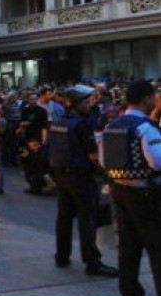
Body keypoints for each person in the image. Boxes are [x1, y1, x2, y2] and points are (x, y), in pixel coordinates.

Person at [102, 79, 161, 296]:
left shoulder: (111, 126)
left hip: (120, 192)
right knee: (158, 249)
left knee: (128, 249)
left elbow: (105, 162)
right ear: (147, 98)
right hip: (145, 195)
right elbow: (157, 161)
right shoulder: (145, 127)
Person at [48, 85, 118, 277]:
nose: (89, 105)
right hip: (80, 176)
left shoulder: (58, 120)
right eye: (86, 102)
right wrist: (106, 172)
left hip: (62, 175)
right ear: (76, 103)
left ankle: (62, 256)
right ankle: (92, 262)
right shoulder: (81, 124)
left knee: (64, 217)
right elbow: (93, 155)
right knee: (87, 219)